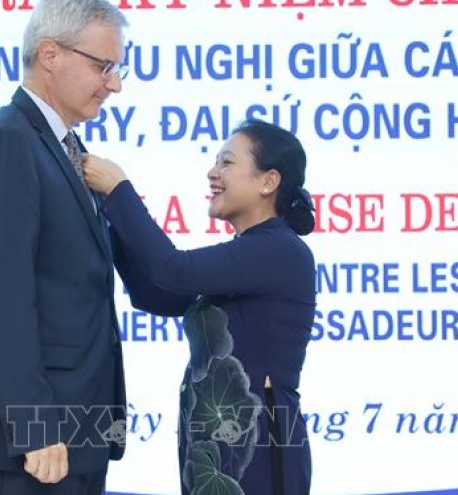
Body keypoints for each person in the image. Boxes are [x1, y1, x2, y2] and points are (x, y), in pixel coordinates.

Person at [0, 1, 130, 493]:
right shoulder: (9, 142)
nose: (114, 83)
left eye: (118, 69)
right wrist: (35, 425)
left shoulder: (64, 150)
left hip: (77, 432)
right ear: (50, 55)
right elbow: (0, 299)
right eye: (103, 66)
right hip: (35, 442)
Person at [84, 118, 317, 495]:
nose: (212, 173)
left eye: (227, 162)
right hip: (216, 452)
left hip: (258, 452)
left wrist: (118, 191)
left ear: (267, 181)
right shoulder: (248, 256)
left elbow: (171, 271)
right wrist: (104, 223)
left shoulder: (279, 250)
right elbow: (156, 293)